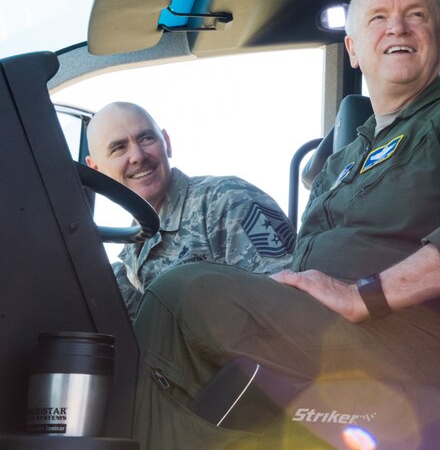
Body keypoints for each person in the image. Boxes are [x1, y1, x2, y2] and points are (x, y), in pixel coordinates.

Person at [130, 0, 440, 448]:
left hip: (411, 340)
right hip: (325, 329)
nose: (397, 27)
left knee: (181, 294)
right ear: (353, 50)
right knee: (162, 348)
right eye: (378, 18)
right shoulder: (341, 160)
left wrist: (367, 294)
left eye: (415, 15)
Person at [85, 101, 296, 319]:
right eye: (119, 148)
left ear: (166, 143)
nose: (138, 155)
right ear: (95, 171)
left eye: (146, 138)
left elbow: (288, 306)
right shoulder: (133, 248)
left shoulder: (226, 201)